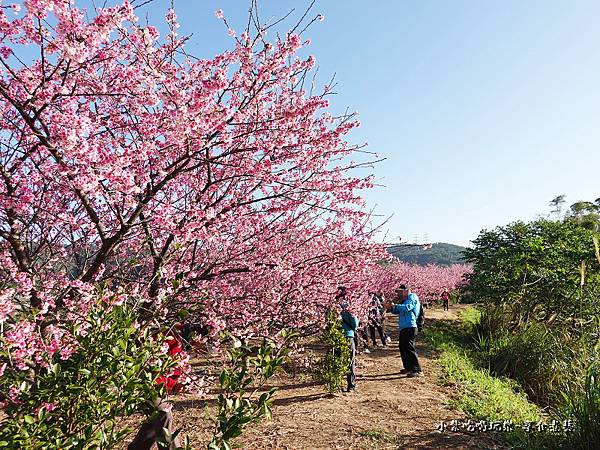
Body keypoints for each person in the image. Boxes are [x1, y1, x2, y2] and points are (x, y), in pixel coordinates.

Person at [384, 284, 423, 377]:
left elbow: (407, 307)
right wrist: (391, 308)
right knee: (403, 347)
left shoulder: (412, 297)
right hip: (404, 327)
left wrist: (395, 305)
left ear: (406, 290)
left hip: (410, 326)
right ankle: (408, 367)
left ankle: (417, 369)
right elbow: (397, 311)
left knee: (409, 348)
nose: (399, 294)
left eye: (400, 291)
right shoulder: (404, 300)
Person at [337, 286, 360, 392]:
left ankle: (336, 384)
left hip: (335, 336)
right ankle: (351, 385)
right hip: (347, 336)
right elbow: (355, 324)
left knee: (337, 360)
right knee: (350, 361)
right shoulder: (348, 307)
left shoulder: (331, 306)